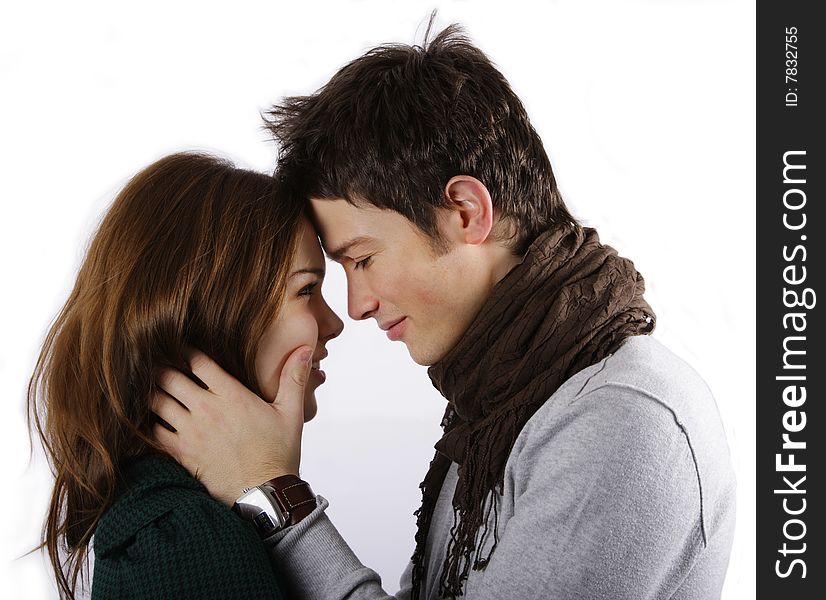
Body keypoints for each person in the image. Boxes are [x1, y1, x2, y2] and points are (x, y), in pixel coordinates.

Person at [153, 24, 736, 600]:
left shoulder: (619, 421)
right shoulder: (499, 405)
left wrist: (277, 496)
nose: (356, 307)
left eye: (362, 259)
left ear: (464, 211)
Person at [27, 152, 343, 599]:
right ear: (213, 315)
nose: (335, 323)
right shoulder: (187, 540)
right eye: (307, 289)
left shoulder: (166, 518)